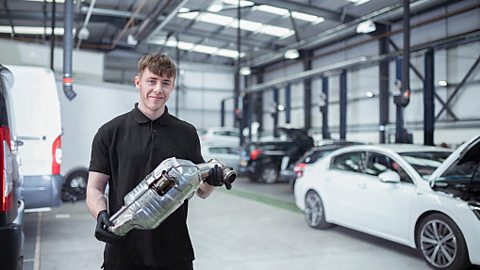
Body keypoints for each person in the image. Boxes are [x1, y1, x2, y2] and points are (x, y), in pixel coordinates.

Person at [86, 53, 225, 270]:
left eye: (165, 83)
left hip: (174, 253)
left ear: (173, 87)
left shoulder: (186, 133)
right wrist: (101, 214)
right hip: (124, 252)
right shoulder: (110, 132)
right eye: (152, 81)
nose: (158, 89)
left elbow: (202, 191)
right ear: (138, 82)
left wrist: (213, 181)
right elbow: (94, 188)